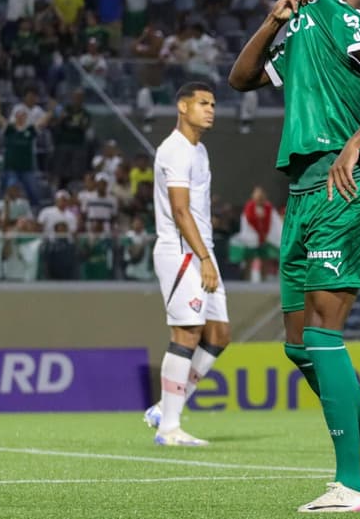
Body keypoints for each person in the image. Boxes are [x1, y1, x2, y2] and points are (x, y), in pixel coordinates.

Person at [228, 0, 360, 512]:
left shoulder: (348, 20)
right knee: (298, 346)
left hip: (343, 190)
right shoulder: (301, 30)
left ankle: (350, 483)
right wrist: (273, 19)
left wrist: (356, 143)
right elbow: (241, 78)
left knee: (322, 336)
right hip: (303, 194)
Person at [142, 82, 230, 447]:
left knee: (219, 335)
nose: (210, 109)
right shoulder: (174, 150)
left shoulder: (200, 150)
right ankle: (169, 428)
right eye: (202, 103)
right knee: (187, 333)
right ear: (182, 106)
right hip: (181, 253)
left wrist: (206, 254)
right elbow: (180, 211)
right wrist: (204, 258)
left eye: (213, 104)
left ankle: (165, 407)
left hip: (201, 251)